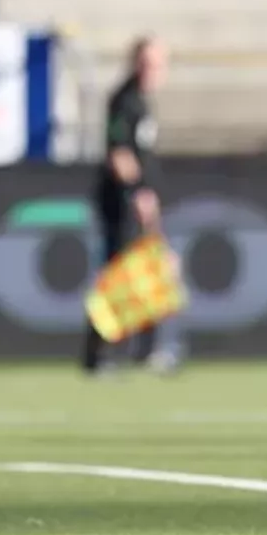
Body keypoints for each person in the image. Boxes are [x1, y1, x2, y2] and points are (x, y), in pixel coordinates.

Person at [81, 36, 178, 377]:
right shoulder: (124, 100)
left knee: (148, 274)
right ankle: (98, 355)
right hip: (121, 204)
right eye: (148, 63)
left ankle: (146, 351)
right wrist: (138, 193)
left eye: (159, 63)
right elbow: (119, 152)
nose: (154, 71)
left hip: (138, 202)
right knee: (116, 278)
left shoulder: (141, 101)